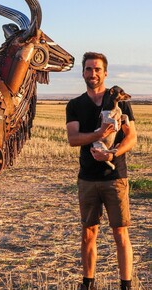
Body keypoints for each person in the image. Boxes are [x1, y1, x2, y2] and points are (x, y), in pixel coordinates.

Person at [66, 52, 137, 290]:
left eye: (97, 69)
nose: (93, 73)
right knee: (89, 233)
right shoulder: (75, 105)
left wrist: (113, 154)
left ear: (105, 73)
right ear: (83, 73)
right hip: (87, 178)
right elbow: (73, 139)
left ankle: (126, 285)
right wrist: (98, 136)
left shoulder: (121, 103)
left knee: (120, 233)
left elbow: (132, 138)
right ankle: (88, 284)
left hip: (115, 177)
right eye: (88, 69)